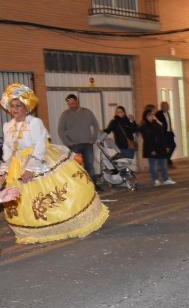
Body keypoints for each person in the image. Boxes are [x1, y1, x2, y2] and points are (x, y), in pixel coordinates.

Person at [0, 84, 108, 244]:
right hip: (17, 165)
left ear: (26, 107)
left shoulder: (34, 123)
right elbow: (8, 149)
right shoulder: (7, 126)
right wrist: (4, 169)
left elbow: (40, 145)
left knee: (57, 192)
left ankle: (68, 224)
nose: (15, 109)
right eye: (12, 106)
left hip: (39, 161)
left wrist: (31, 168)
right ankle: (38, 230)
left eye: (18, 106)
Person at [58, 94, 100, 181]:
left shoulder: (87, 112)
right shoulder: (65, 115)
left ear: (77, 101)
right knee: (75, 167)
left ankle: (93, 185)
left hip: (88, 145)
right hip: (74, 146)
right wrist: (68, 143)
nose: (71, 105)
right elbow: (60, 130)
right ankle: (79, 187)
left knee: (89, 166)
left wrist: (93, 139)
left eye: (73, 102)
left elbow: (96, 125)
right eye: (69, 104)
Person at [139, 107, 176, 187]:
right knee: (154, 165)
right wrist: (152, 149)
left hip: (160, 147)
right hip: (151, 147)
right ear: (145, 116)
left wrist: (165, 146)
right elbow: (148, 138)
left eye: (152, 115)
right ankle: (155, 180)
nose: (152, 116)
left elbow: (162, 131)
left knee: (163, 164)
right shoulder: (143, 125)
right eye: (150, 115)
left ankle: (166, 179)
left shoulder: (155, 123)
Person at [155, 101, 176, 168]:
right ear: (162, 107)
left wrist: (171, 130)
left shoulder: (168, 113)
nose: (167, 107)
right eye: (165, 106)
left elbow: (168, 123)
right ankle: (165, 161)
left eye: (168, 106)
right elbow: (157, 124)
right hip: (163, 134)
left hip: (169, 133)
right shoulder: (158, 114)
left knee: (173, 146)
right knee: (164, 148)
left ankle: (167, 159)